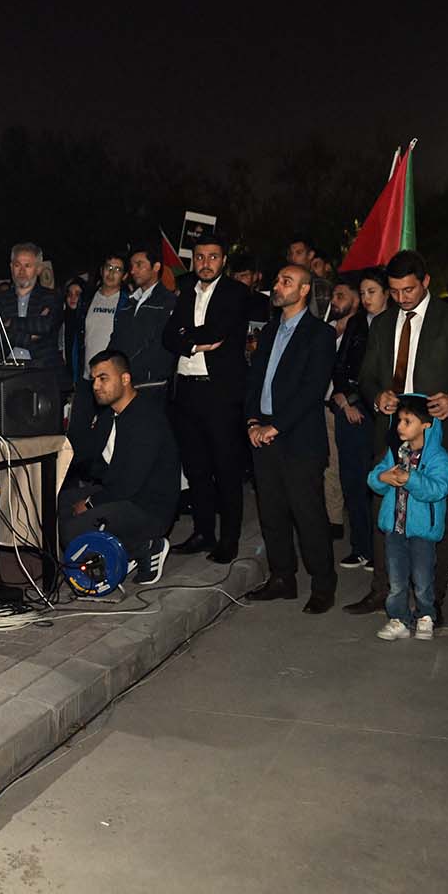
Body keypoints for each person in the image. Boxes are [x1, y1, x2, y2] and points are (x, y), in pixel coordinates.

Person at [344, 249, 448, 615]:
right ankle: (382, 590)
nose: (401, 298)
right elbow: (366, 377)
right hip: (391, 431)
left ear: (424, 282)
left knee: (435, 514)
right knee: (385, 511)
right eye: (393, 291)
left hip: (440, 434)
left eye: (408, 289)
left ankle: (430, 600)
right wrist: (377, 396)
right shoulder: (382, 323)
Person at [243, 265, 339, 613]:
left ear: (303, 291)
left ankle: (323, 583)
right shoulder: (268, 331)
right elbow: (254, 380)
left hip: (298, 438)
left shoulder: (320, 335)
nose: (277, 286)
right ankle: (282, 578)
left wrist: (276, 426)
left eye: (286, 282)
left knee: (308, 515)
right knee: (271, 513)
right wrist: (253, 420)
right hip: (264, 433)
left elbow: (312, 390)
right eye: (277, 279)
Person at [162, 237, 253, 564]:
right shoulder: (186, 291)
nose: (205, 262)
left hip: (220, 392)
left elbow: (217, 332)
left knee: (226, 468)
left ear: (223, 260)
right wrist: (193, 344)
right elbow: (168, 335)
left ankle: (229, 539)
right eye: (200, 257)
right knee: (195, 466)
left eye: (212, 257)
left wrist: (188, 337)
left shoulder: (235, 292)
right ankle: (203, 532)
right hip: (186, 390)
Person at [60, 350, 181, 583]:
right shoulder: (110, 415)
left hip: (148, 507)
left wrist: (90, 503)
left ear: (125, 379)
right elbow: (88, 457)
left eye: (103, 378)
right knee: (60, 502)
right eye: (94, 379)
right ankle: (114, 552)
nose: (96, 386)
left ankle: (145, 547)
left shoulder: (146, 418)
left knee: (72, 529)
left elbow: (129, 483)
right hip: (123, 495)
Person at [370, 395, 448, 640]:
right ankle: (398, 618)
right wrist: (381, 478)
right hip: (395, 529)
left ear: (426, 425)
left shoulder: (438, 458)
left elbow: (440, 488)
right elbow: (376, 477)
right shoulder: (396, 453)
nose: (399, 426)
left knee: (423, 578)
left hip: (422, 532)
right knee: (396, 579)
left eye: (407, 421)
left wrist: (411, 479)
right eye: (399, 420)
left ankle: (426, 615)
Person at [328, 278, 375, 568]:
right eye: (364, 292)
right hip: (347, 410)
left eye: (373, 292)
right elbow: (340, 365)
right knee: (353, 482)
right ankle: (361, 547)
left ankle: (378, 549)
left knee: (375, 485)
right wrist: (345, 399)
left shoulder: (388, 325)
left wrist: (358, 400)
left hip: (375, 414)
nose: (368, 298)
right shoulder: (356, 325)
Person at [109, 244, 176, 391]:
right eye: (132, 266)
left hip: (150, 385)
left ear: (156, 267)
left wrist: (126, 368)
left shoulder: (167, 302)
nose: (133, 271)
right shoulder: (129, 302)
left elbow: (159, 343)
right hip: (124, 382)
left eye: (139, 265)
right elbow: (116, 339)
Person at [0, 242, 64, 369]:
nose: (21, 271)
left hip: (42, 370)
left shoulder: (52, 297)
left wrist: (11, 323)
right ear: (11, 267)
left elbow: (45, 326)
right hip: (5, 370)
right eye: (17, 265)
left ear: (39, 268)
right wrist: (29, 337)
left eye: (27, 265)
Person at [83, 253, 129, 366]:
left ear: (124, 276)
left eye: (117, 269)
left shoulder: (128, 303)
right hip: (87, 371)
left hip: (112, 372)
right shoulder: (86, 299)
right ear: (101, 270)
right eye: (109, 267)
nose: (111, 273)